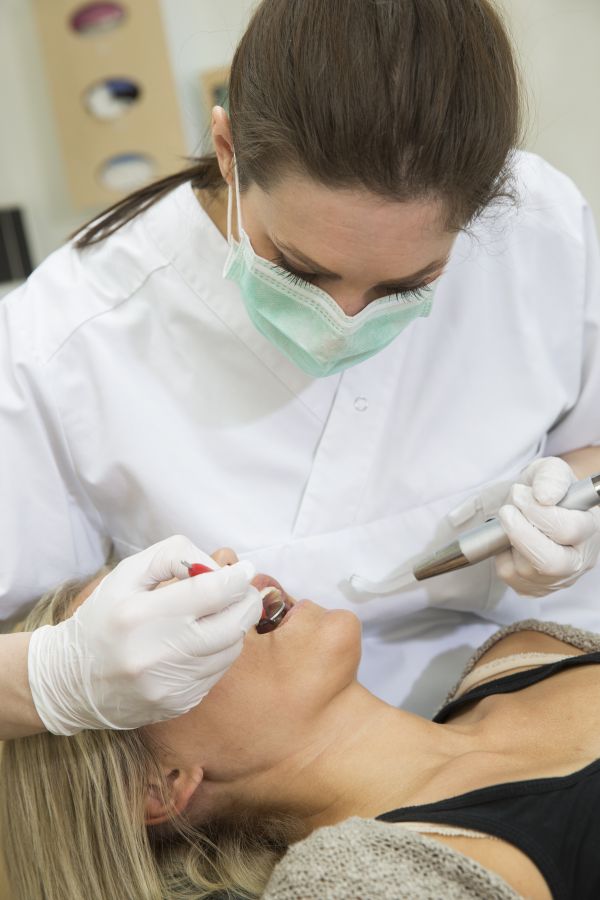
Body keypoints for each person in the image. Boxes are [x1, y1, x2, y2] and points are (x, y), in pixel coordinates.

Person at [2, 0, 600, 737]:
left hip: (536, 692)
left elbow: (590, 447)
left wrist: (566, 509)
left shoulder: (540, 227)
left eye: (404, 286)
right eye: (301, 270)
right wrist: (52, 678)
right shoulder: (58, 346)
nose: (344, 320)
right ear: (228, 149)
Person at [2, 551, 599, 899]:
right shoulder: (360, 882)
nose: (223, 567)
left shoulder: (526, 651)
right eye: (168, 615)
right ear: (160, 785)